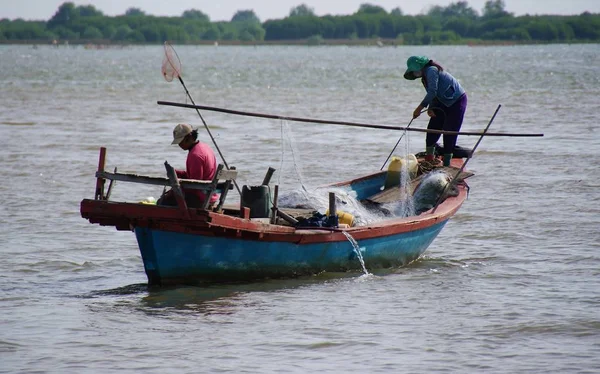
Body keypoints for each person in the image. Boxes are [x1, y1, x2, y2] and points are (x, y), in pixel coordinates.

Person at [404, 55, 467, 166]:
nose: (415, 73)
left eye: (414, 70)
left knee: (449, 132)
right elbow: (433, 95)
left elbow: (433, 91)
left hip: (456, 101)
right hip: (441, 101)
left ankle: (447, 163)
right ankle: (429, 159)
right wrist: (431, 108)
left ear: (420, 66)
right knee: (433, 128)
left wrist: (419, 108)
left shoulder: (431, 70)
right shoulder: (424, 78)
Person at [158, 123, 218, 208]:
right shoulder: (205, 147)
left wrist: (173, 191)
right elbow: (198, 176)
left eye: (181, 141)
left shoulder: (195, 155)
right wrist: (178, 174)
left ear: (189, 137)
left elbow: (194, 185)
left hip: (201, 198)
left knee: (162, 202)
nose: (179, 145)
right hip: (209, 195)